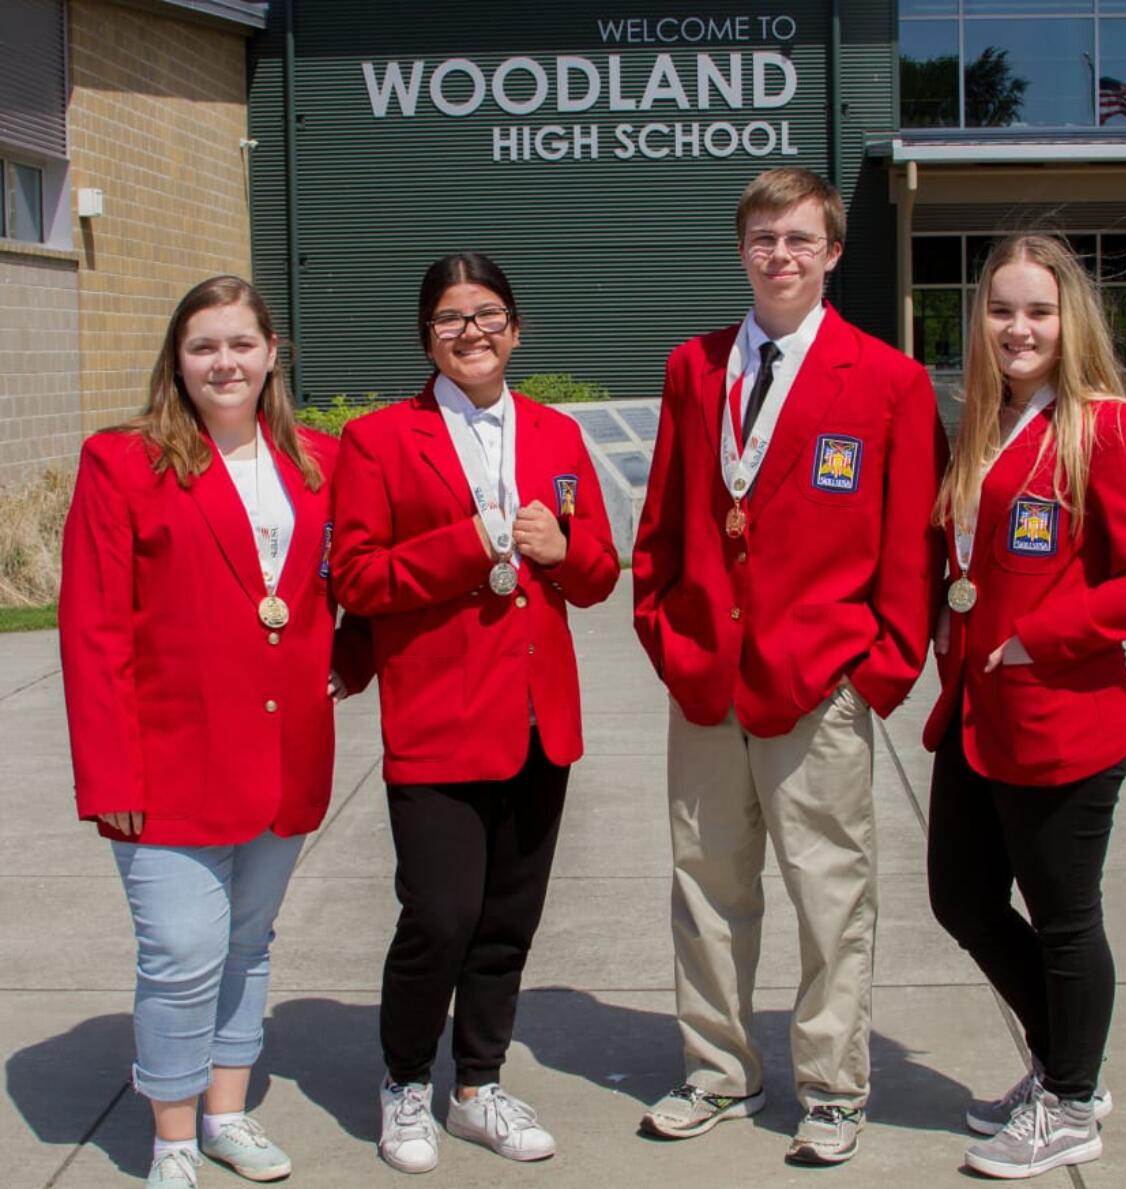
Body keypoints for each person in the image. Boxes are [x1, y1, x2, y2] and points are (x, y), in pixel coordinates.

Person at [631, 167, 947, 1165]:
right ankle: (717, 1070)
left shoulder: (886, 380)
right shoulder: (696, 365)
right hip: (707, 681)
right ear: (741, 249)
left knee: (827, 894)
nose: (780, 255)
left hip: (821, 686)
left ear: (833, 252)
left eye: (799, 239)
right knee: (705, 888)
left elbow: (909, 549)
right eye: (763, 237)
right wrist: (663, 631)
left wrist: (880, 672)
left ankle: (830, 1085)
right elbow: (664, 524)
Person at [59, 275, 372, 1188]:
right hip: (168, 762)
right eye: (204, 346)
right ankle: (171, 1136)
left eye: (241, 343)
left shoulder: (321, 459)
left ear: (273, 353)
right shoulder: (123, 462)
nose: (224, 362)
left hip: (285, 755)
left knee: (246, 944)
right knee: (184, 951)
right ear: (179, 360)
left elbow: (357, 574)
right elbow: (93, 630)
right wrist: (109, 778)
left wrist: (352, 656)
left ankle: (228, 1115)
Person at [329, 252, 619, 1175]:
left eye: (487, 314)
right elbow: (358, 577)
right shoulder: (379, 440)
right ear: (427, 337)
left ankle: (477, 1085)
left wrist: (561, 546)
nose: (472, 333)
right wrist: (472, 543)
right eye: (450, 319)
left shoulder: (557, 435)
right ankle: (407, 1082)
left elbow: (601, 572)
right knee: (441, 915)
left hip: (539, 716)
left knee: (507, 919)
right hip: (439, 715)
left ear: (516, 329)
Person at [923, 233, 1126, 1179]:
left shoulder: (1107, 426)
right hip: (976, 713)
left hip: (1062, 714)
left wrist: (1042, 633)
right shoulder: (983, 425)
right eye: (1001, 310)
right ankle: (1070, 1060)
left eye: (1038, 310)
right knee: (960, 897)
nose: (1018, 327)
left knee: (1065, 915)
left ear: (1070, 318)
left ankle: (1071, 1100)